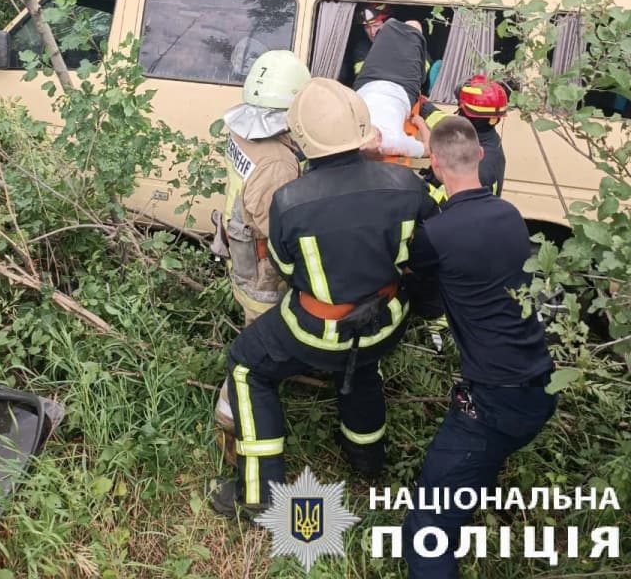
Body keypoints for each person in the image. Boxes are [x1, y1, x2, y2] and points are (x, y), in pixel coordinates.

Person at [209, 78, 438, 518]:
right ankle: (368, 459)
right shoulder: (408, 186)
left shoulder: (292, 201)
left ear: (301, 136)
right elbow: (423, 255)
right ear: (361, 127)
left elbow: (287, 267)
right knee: (364, 364)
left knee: (246, 364)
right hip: (383, 323)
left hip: (315, 328)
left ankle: (258, 494)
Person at [403, 117, 556, 578]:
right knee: (474, 470)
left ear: (434, 163)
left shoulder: (438, 234)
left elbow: (410, 273)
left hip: (495, 400)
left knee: (426, 525)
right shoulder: (509, 214)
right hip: (541, 384)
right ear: (481, 156)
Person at [211, 50, 311, 451]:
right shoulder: (277, 164)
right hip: (262, 269)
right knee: (255, 352)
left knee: (253, 334)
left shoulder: (241, 134)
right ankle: (231, 422)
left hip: (240, 254)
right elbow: (280, 230)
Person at [354, 17, 431, 160]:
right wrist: (421, 124)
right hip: (402, 86)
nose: (375, 133)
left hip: (368, 81)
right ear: (380, 147)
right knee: (413, 26)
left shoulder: (351, 138)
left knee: (389, 26)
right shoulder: (395, 143)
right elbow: (428, 149)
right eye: (376, 139)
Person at [420, 74, 508, 198]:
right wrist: (423, 107)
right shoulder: (482, 135)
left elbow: (445, 202)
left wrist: (419, 188)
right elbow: (445, 122)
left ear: (463, 113)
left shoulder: (477, 167)